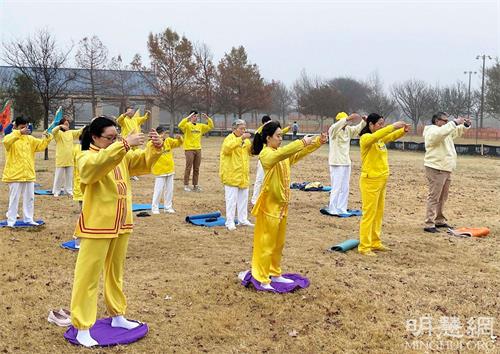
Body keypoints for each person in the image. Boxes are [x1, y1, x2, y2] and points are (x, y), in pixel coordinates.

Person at [69, 116, 163, 347]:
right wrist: (122, 145)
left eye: (116, 136)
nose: (114, 141)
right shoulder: (85, 156)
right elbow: (93, 170)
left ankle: (117, 315)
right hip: (96, 226)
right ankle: (82, 325)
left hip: (122, 222)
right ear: (94, 137)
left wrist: (155, 148)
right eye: (109, 138)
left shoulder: (119, 153)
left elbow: (141, 163)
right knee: (88, 277)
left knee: (115, 273)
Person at [250, 121, 327, 290]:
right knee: (266, 244)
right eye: (278, 136)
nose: (280, 139)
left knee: (278, 244)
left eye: (281, 136)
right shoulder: (266, 154)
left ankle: (275, 273)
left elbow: (298, 154)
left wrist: (317, 142)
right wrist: (301, 142)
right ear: (268, 138)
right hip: (269, 207)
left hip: (282, 207)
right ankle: (262, 278)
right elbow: (283, 153)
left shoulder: (281, 155)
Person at [357, 114, 410, 256]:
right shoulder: (366, 138)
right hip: (370, 181)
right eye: (379, 124)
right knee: (369, 214)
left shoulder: (379, 139)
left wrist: (402, 131)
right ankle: (364, 246)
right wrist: (393, 126)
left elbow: (390, 137)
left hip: (381, 180)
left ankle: (375, 242)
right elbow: (378, 135)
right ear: (371, 125)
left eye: (383, 123)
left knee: (378, 213)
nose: (382, 126)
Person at [423, 112, 471, 233]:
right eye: (444, 120)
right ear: (436, 120)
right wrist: (454, 123)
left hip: (445, 168)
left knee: (442, 197)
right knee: (434, 196)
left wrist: (464, 125)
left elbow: (454, 131)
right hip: (436, 168)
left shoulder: (444, 131)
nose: (446, 122)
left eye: (447, 121)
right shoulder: (432, 131)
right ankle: (429, 223)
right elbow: (441, 133)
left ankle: (439, 220)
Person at [2, 116, 52, 227]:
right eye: (22, 127)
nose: (25, 129)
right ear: (16, 126)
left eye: (26, 127)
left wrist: (47, 138)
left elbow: (41, 146)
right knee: (14, 198)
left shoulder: (30, 139)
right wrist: (18, 132)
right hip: (14, 175)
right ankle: (11, 220)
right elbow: (6, 142)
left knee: (29, 198)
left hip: (28, 174)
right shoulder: (11, 137)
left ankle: (28, 219)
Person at [326, 112, 366, 215]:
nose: (346, 123)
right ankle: (332, 208)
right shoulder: (333, 130)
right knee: (336, 186)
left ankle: (342, 207)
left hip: (346, 162)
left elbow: (357, 129)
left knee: (345, 187)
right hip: (336, 163)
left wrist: (363, 122)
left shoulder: (348, 130)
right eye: (344, 121)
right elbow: (336, 126)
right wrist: (347, 118)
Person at [219, 119, 254, 231]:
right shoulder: (229, 138)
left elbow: (251, 152)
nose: (244, 131)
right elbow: (226, 149)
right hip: (231, 174)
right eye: (241, 129)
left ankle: (243, 219)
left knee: (243, 198)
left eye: (245, 128)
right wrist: (241, 139)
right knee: (231, 200)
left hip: (243, 175)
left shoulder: (247, 141)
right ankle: (229, 221)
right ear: (234, 129)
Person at [251, 116, 290, 205]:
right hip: (265, 157)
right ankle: (255, 199)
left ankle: (263, 198)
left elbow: (280, 133)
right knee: (260, 179)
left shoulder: (265, 129)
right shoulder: (263, 130)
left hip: (272, 156)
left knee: (266, 180)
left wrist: (287, 128)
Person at [150, 126, 183, 214]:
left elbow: (177, 143)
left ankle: (168, 207)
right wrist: (157, 138)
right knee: (158, 190)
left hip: (170, 169)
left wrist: (180, 139)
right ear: (160, 133)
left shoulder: (168, 141)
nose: (166, 135)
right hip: (160, 170)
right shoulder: (153, 143)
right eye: (165, 133)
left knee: (169, 190)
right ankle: (155, 207)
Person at [178, 110, 214, 192]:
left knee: (196, 168)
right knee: (188, 167)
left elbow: (210, 127)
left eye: (197, 116)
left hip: (198, 149)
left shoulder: (200, 126)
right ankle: (186, 185)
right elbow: (180, 125)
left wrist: (208, 119)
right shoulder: (187, 125)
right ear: (191, 117)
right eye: (194, 116)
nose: (196, 118)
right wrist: (187, 118)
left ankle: (195, 185)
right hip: (189, 149)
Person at [51, 117, 84, 197]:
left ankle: (68, 190)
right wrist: (60, 127)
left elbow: (80, 131)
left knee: (69, 176)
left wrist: (89, 125)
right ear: (61, 125)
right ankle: (56, 191)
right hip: (61, 158)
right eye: (65, 124)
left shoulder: (71, 133)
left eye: (68, 124)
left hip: (70, 158)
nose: (67, 126)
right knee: (59, 176)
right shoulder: (58, 134)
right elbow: (53, 131)